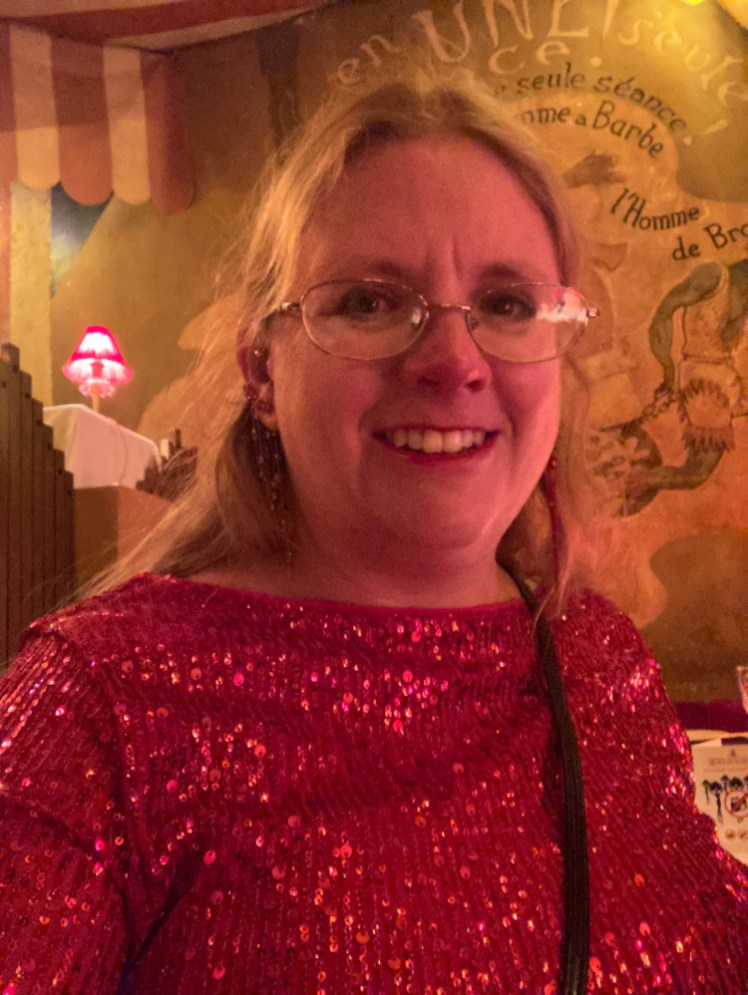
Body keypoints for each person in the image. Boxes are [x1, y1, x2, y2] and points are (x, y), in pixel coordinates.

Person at [0, 68, 745, 995]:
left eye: (509, 304)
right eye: (369, 301)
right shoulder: (102, 704)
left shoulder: (598, 655)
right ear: (261, 374)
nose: (453, 360)